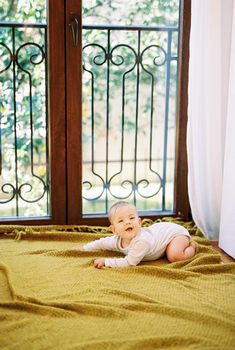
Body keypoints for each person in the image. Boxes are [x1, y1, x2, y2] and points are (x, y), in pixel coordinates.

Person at [82, 201, 196, 269]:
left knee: (174, 256)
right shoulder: (116, 240)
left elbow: (130, 263)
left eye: (132, 218)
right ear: (114, 230)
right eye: (121, 221)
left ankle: (192, 247)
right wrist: (84, 248)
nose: (128, 222)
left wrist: (106, 261)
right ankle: (167, 247)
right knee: (168, 251)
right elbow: (101, 243)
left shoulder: (141, 241)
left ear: (139, 222)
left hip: (175, 233)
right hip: (159, 233)